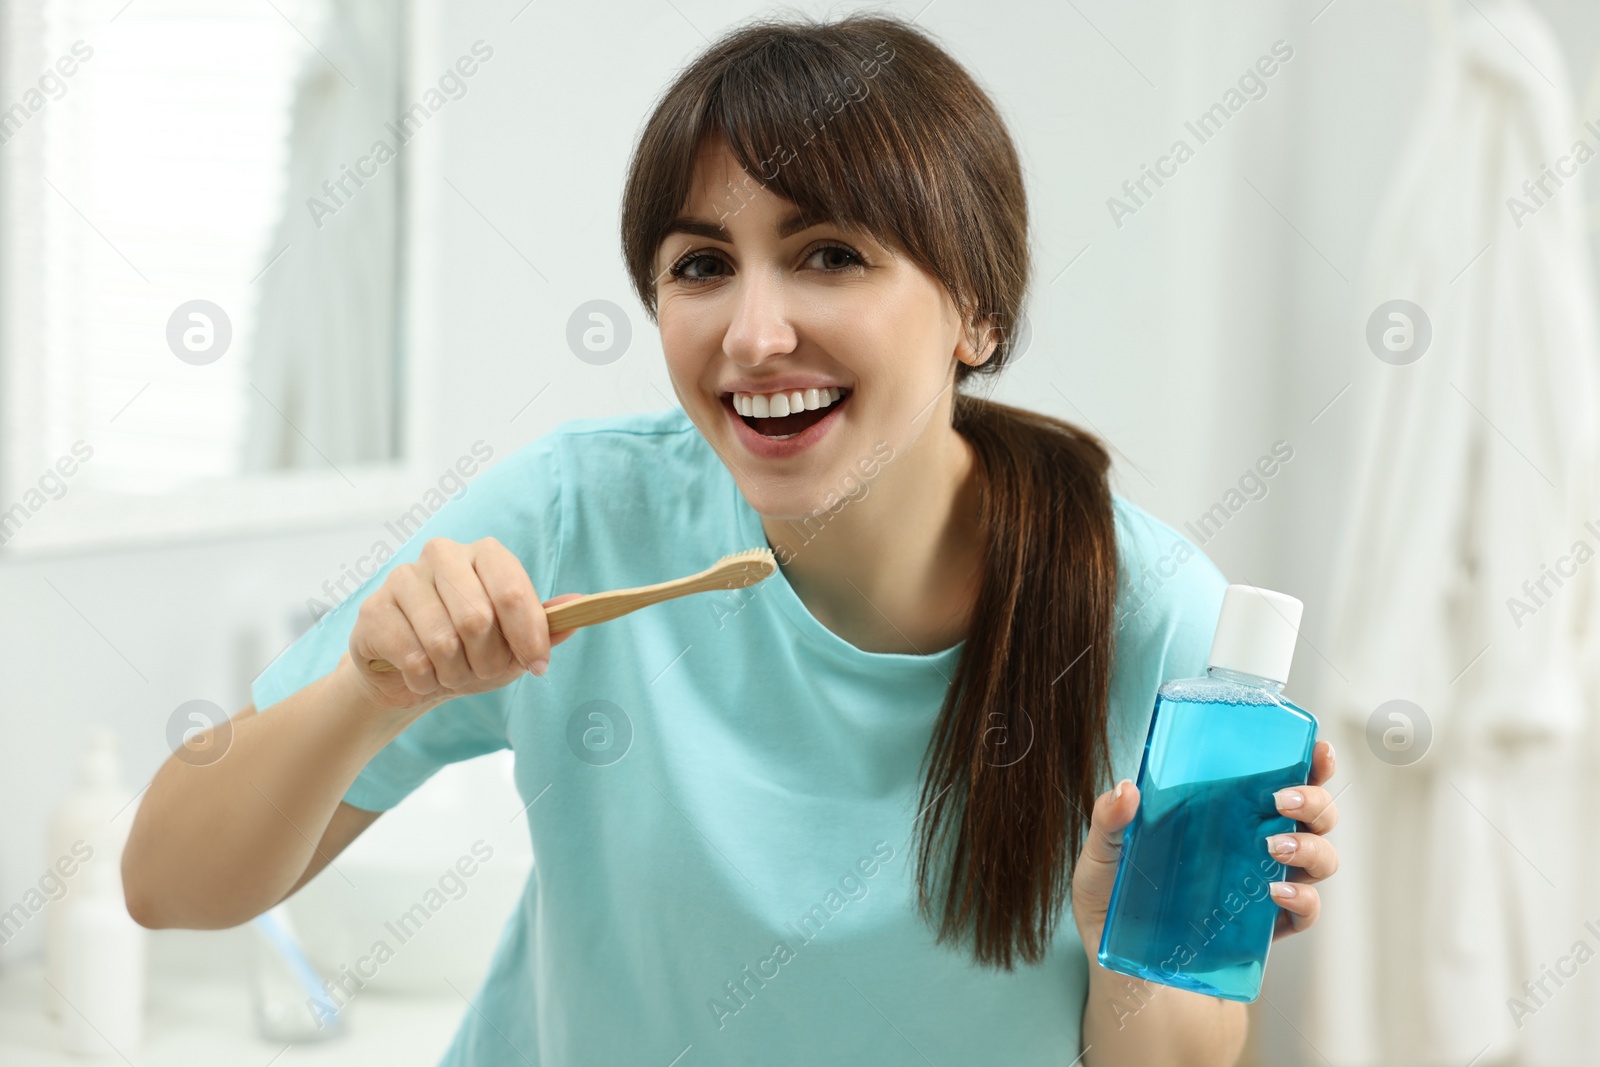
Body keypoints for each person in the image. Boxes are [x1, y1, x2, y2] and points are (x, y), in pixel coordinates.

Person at [123, 12, 1340, 1065]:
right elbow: (166, 883)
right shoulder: (575, 519)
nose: (753, 333)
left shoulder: (1161, 622)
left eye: (828, 255)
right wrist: (365, 693)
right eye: (701, 264)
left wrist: (1128, 951)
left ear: (977, 308)